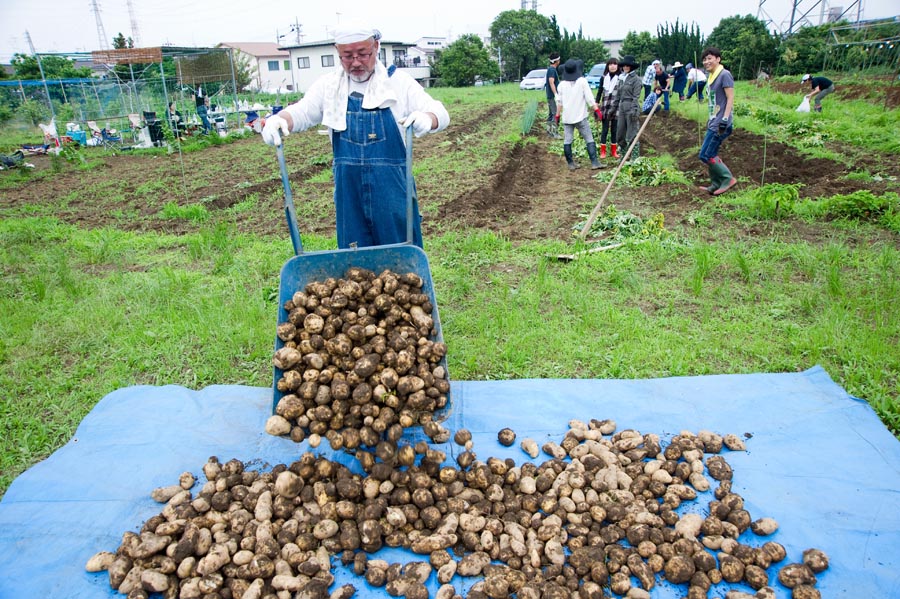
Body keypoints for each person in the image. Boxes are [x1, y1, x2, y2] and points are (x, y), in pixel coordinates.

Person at [261, 25, 449, 249]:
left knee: (400, 254)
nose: (356, 62)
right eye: (347, 56)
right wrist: (280, 119)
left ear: (376, 47)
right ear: (338, 52)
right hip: (349, 193)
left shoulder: (399, 83)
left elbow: (441, 113)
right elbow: (302, 111)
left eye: (363, 54)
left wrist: (428, 118)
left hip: (391, 189)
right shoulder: (329, 86)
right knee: (354, 258)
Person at [698, 47, 737, 195]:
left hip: (721, 123)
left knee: (707, 154)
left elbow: (730, 97)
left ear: (718, 59)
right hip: (714, 121)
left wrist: (725, 119)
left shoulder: (724, 74)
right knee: (705, 154)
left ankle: (728, 178)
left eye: (710, 58)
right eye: (705, 59)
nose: (706, 62)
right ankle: (715, 183)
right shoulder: (712, 76)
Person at [556, 59, 603, 170]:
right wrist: (597, 111)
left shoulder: (561, 85)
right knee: (589, 138)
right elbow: (590, 98)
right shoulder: (582, 81)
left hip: (567, 118)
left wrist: (557, 116)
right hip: (580, 117)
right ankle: (594, 162)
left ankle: (571, 164)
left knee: (568, 140)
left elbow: (559, 102)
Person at [616, 55, 643, 162]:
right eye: (624, 66)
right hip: (622, 107)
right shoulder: (622, 78)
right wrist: (614, 107)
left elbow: (636, 97)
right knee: (620, 133)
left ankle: (634, 158)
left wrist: (634, 110)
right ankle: (623, 156)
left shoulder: (636, 80)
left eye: (628, 66)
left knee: (632, 133)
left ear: (631, 67)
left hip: (631, 106)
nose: (625, 67)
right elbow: (618, 94)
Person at [594, 57, 620, 159]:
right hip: (605, 106)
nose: (612, 66)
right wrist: (596, 103)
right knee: (605, 129)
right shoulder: (604, 78)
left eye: (614, 64)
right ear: (607, 66)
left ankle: (614, 151)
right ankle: (603, 152)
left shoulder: (620, 78)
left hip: (616, 106)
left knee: (614, 129)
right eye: (610, 64)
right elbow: (600, 91)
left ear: (617, 66)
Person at [545, 52, 561, 138]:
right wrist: (556, 94)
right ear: (557, 61)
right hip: (552, 96)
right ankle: (554, 133)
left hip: (550, 95)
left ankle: (548, 131)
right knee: (555, 114)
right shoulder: (551, 70)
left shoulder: (551, 69)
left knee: (551, 114)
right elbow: (551, 82)